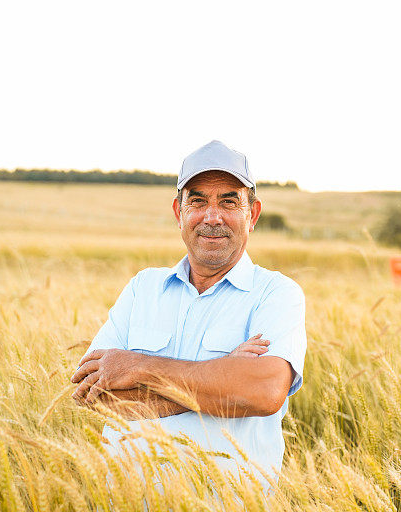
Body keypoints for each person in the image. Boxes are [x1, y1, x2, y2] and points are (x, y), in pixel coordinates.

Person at [70, 140, 307, 491]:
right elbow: (95, 394)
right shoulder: (142, 289)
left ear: (252, 215)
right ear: (179, 213)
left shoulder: (276, 294)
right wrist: (223, 376)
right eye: (198, 201)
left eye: (229, 201)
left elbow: (264, 391)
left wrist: (137, 366)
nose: (213, 217)